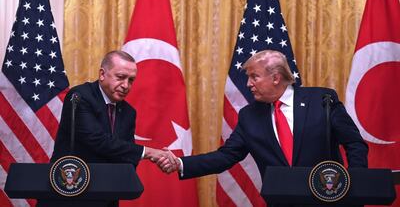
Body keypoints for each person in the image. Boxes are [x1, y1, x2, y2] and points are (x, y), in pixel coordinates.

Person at [158, 50, 368, 206]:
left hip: (329, 199)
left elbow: (354, 143)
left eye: (254, 77)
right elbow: (226, 156)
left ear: (276, 77)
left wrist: (354, 185)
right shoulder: (250, 116)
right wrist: (180, 163)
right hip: (281, 201)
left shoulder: (322, 100)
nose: (248, 84)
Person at [40, 50, 170, 207]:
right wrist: (148, 152)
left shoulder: (129, 112)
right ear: (102, 74)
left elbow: (127, 158)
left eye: (131, 80)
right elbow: (96, 140)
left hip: (106, 197)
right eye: (121, 77)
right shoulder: (79, 97)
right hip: (68, 193)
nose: (126, 85)